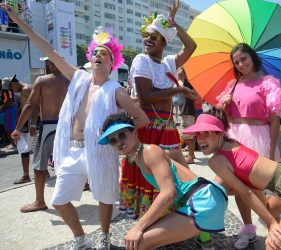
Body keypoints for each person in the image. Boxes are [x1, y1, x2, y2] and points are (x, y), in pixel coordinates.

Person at [1, 4, 149, 250]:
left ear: (112, 61)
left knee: (104, 198)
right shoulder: (78, 78)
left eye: (104, 53)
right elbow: (45, 46)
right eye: (95, 53)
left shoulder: (116, 91)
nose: (98, 56)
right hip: (71, 150)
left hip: (100, 152)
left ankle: (103, 236)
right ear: (90, 59)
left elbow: (141, 118)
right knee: (59, 200)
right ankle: (81, 239)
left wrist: (119, 137)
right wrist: (16, 19)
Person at [183, 109, 281, 250]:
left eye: (206, 133)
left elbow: (246, 193)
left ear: (220, 133)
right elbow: (238, 187)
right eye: (197, 134)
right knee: (268, 211)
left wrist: (271, 223)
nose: (199, 139)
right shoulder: (233, 143)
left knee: (274, 245)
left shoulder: (216, 161)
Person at [98, 112, 228, 250]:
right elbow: (176, 153)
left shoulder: (149, 152)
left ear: (135, 133)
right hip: (203, 197)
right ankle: (204, 235)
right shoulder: (143, 154)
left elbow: (168, 193)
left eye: (122, 135)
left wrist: (138, 227)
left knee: (138, 243)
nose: (119, 141)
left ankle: (202, 231)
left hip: (202, 203)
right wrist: (187, 180)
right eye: (113, 140)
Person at [120, 0, 197, 220]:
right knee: (151, 174)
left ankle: (181, 211)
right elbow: (146, 97)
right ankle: (149, 219)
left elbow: (191, 46)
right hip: (149, 126)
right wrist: (179, 89)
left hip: (168, 126)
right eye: (147, 35)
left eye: (154, 37)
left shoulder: (168, 63)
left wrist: (173, 22)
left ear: (164, 42)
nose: (147, 39)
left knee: (177, 173)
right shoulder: (141, 60)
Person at [216, 43, 281, 249]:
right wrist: (223, 106)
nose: (241, 64)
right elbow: (228, 118)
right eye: (236, 62)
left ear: (252, 57)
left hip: (259, 138)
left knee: (256, 189)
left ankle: (274, 225)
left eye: (244, 59)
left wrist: (272, 150)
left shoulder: (268, 83)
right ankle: (248, 229)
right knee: (240, 188)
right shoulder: (233, 84)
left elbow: (275, 121)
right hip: (234, 138)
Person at [10, 57, 69, 213]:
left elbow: (30, 105)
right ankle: (66, 198)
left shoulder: (42, 81)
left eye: (46, 62)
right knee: (65, 164)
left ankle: (39, 201)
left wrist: (18, 128)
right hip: (65, 127)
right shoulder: (70, 81)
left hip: (48, 126)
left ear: (50, 63)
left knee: (39, 165)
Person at [9, 75, 39, 184]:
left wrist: (33, 125)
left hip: (34, 122)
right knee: (37, 148)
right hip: (36, 121)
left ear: (14, 84)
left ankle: (26, 176)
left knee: (23, 148)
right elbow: (24, 107)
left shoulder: (26, 90)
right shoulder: (27, 88)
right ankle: (44, 172)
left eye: (11, 88)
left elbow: (35, 107)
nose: (12, 91)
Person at [178, 67, 196, 164]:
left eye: (180, 69)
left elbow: (193, 96)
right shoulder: (184, 83)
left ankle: (190, 157)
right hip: (186, 111)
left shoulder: (186, 83)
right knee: (189, 135)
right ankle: (191, 154)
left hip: (187, 111)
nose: (177, 70)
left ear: (185, 73)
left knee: (189, 136)